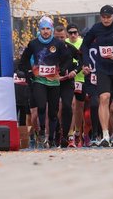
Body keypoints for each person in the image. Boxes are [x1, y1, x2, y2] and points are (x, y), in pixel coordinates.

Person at [80, 5, 113, 147]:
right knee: (103, 98)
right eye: (103, 17)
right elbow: (85, 45)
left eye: (108, 17)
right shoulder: (96, 28)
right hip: (102, 68)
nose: (106, 20)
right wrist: (86, 62)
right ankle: (105, 135)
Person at [18, 16, 74, 148]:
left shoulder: (59, 44)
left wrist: (63, 69)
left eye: (48, 29)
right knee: (41, 107)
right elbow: (23, 61)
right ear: (39, 30)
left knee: (53, 112)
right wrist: (29, 72)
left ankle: (52, 137)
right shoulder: (33, 44)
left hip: (54, 82)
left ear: (52, 29)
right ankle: (42, 130)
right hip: (39, 80)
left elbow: (68, 59)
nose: (45, 31)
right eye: (42, 29)